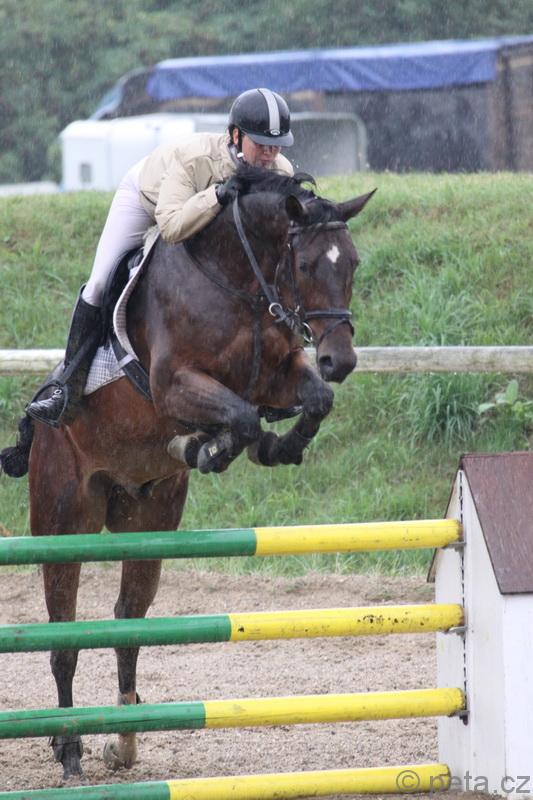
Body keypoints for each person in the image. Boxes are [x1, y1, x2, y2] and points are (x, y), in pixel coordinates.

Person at [26, 88, 295, 427]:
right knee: (99, 283)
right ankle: (67, 388)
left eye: (276, 146)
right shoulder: (195, 159)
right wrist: (217, 195)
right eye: (261, 144)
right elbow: (170, 226)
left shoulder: (280, 172)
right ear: (236, 136)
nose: (269, 155)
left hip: (193, 216)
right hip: (147, 199)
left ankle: (270, 380)